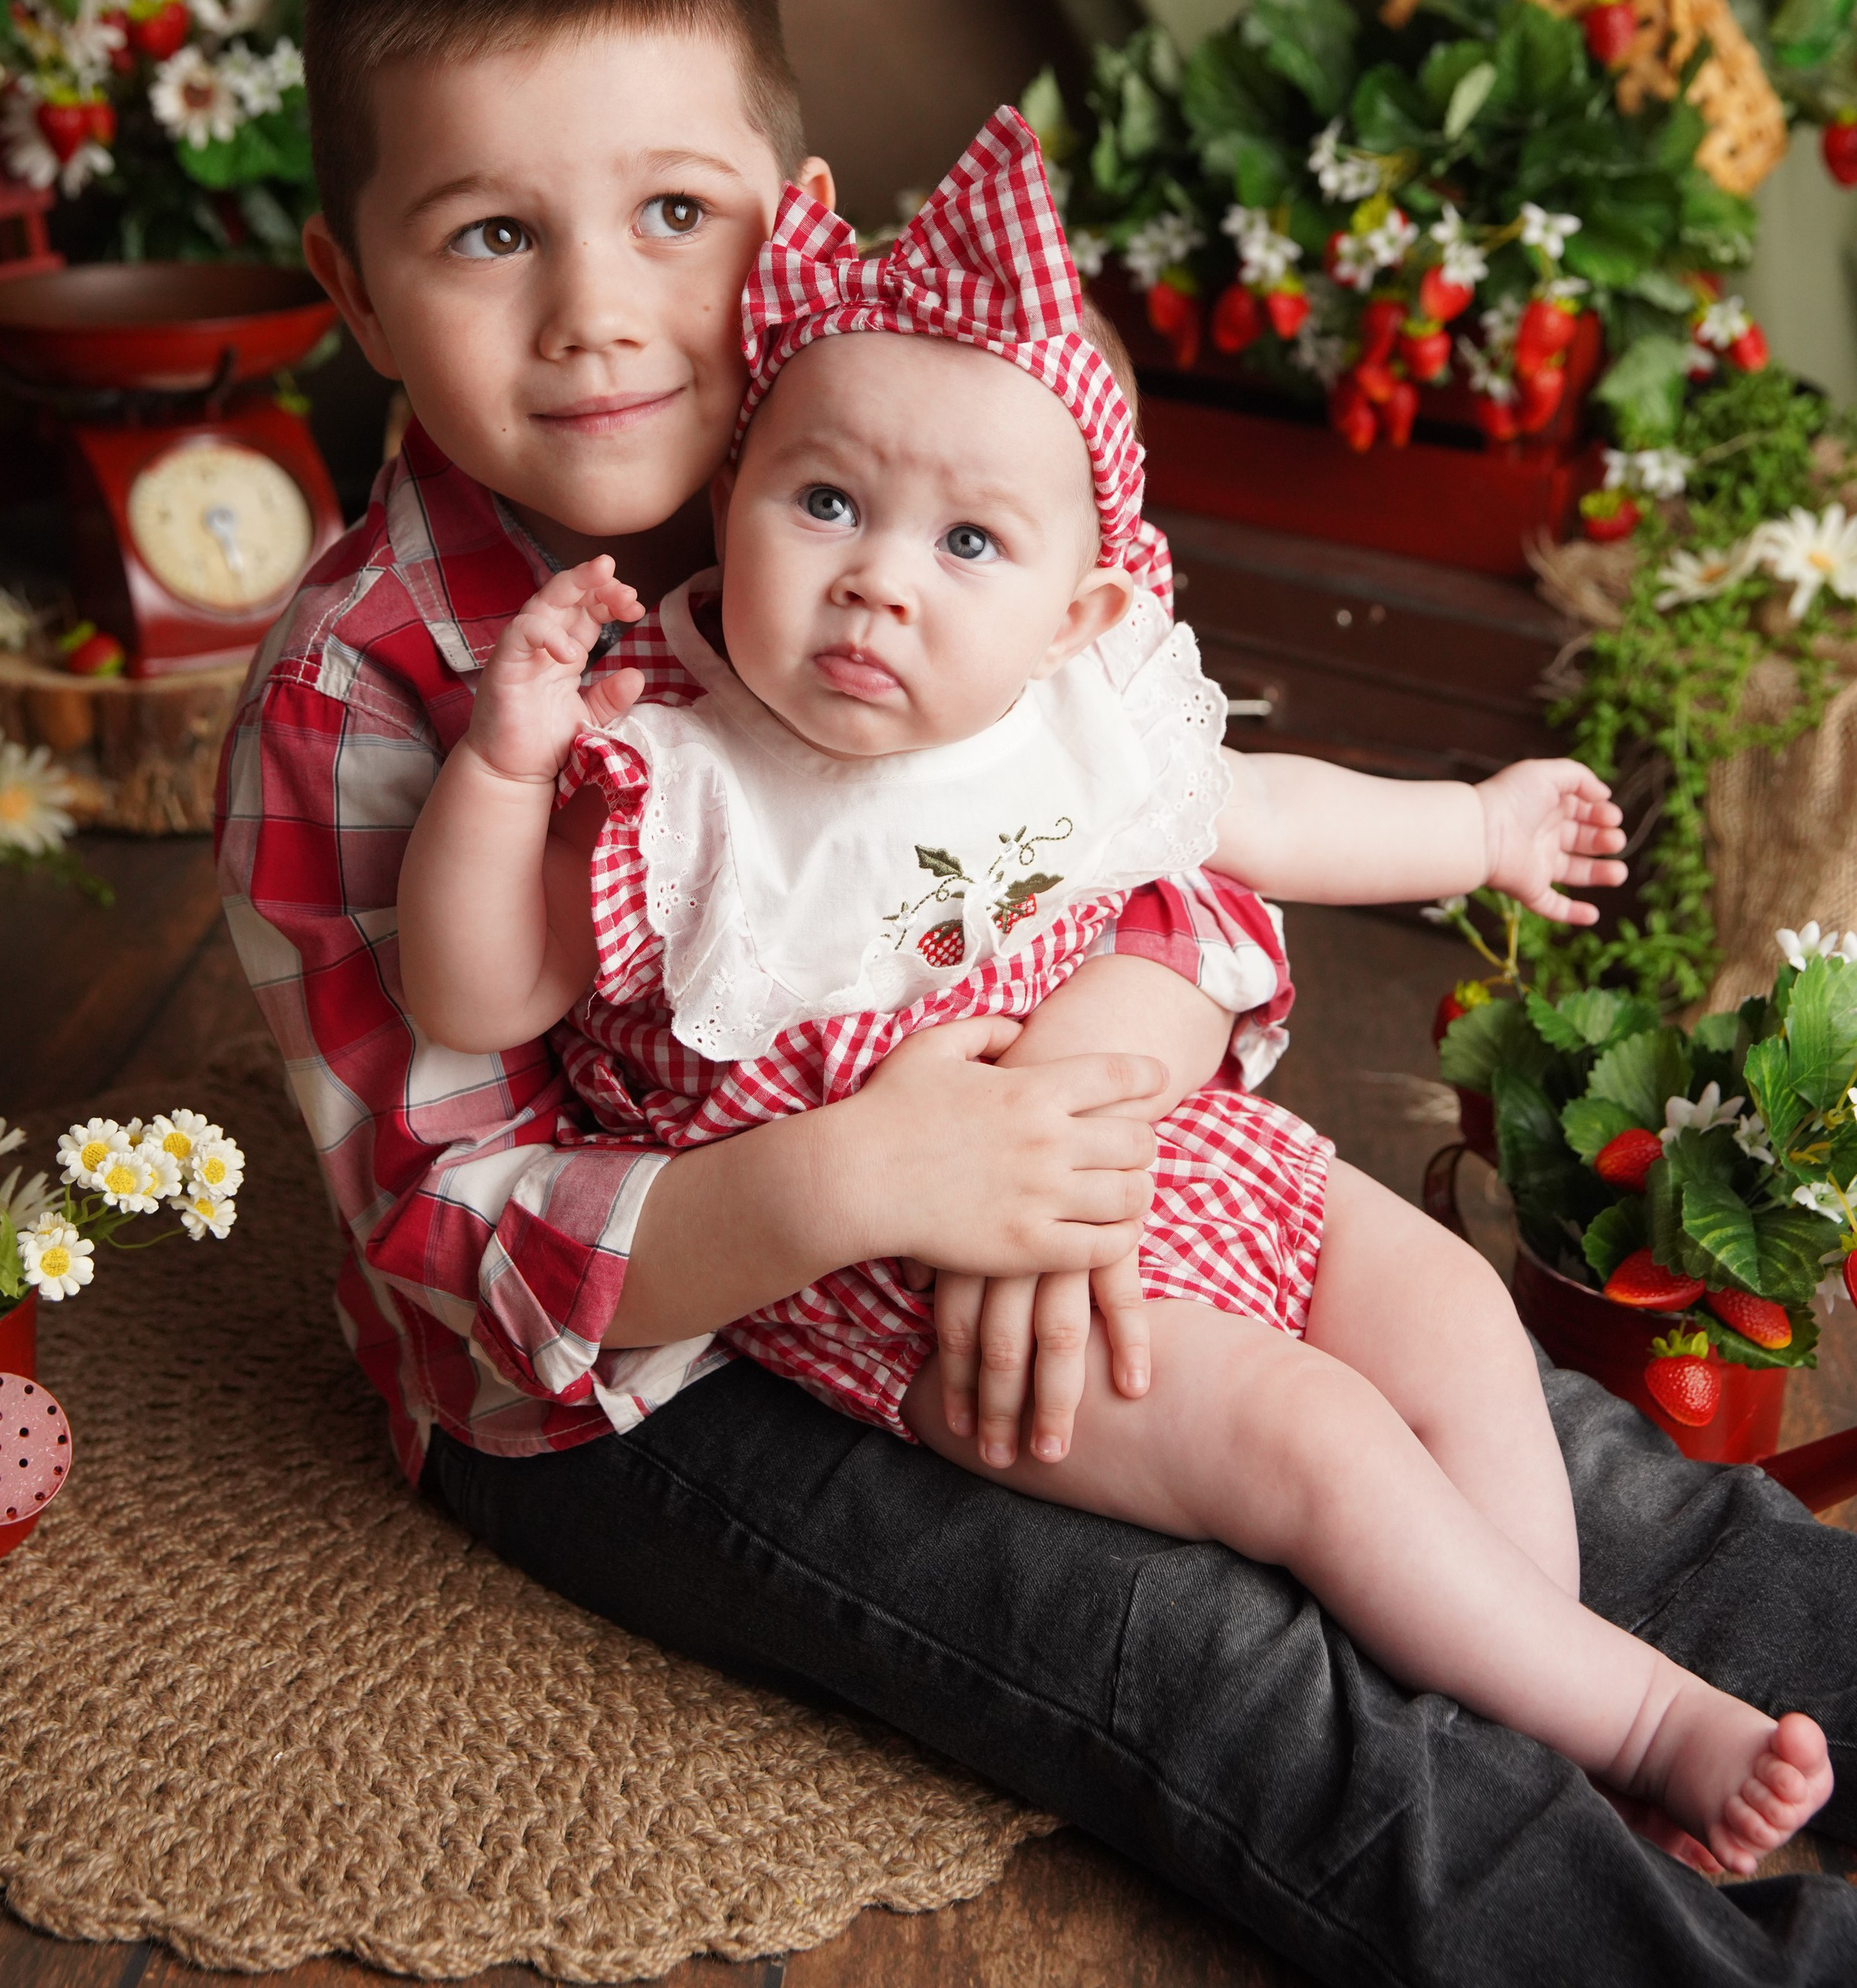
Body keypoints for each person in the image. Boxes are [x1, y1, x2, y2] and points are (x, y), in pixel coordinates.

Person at [217, 0, 1857, 1988]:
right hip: (643, 1378)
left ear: (782, 223)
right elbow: (443, 1242)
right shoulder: (366, 689)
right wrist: (871, 1187)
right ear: (352, 283)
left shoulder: (901, 457)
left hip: (1048, 1147)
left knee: (1531, 1442)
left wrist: (1059, 1127)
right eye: (493, 233)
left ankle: (1689, 1685)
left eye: (671, 216)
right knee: (1201, 1644)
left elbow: (1157, 836)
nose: (600, 312)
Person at [390, 107, 1828, 1878]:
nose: (876, 581)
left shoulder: (1076, 719)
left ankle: (1524, 1682)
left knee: (1453, 1314)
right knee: (1313, 1447)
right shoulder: (669, 777)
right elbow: (473, 986)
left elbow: (1266, 816)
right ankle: (1628, 1723)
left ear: (1080, 613)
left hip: (1192, 1162)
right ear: (732, 496)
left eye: (966, 546)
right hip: (920, 1290)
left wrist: (1476, 822)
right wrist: (498, 773)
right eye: (823, 501)